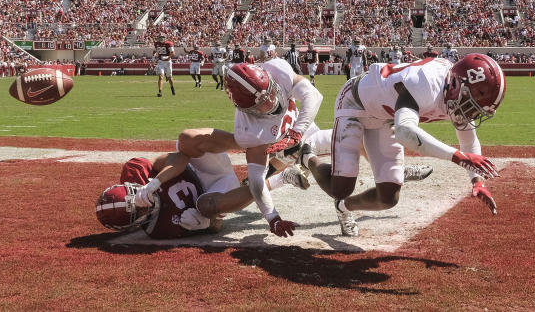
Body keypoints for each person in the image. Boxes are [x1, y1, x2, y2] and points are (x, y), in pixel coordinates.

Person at [301, 54, 504, 236]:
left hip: (386, 117)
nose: (471, 114)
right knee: (340, 187)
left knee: (388, 197)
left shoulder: (456, 88)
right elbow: (405, 132)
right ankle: (305, 155)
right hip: (356, 103)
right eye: (471, 104)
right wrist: (457, 157)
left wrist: (477, 181)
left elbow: (468, 139)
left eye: (477, 110)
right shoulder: (426, 82)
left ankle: (343, 208)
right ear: (455, 85)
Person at [174, 58, 324, 237]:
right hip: (279, 143)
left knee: (348, 146)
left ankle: (284, 160)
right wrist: (272, 217)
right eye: (260, 105)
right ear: (245, 109)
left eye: (270, 93)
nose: (270, 103)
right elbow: (256, 179)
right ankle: (281, 173)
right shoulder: (249, 131)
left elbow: (313, 95)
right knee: (208, 213)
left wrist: (297, 132)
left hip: (302, 131)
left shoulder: (277, 69)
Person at [95, 148, 312, 238]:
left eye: (136, 195)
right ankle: (281, 169)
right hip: (212, 193)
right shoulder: (160, 229)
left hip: (201, 167)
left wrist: (155, 182)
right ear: (134, 224)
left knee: (188, 140)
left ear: (129, 185)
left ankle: (255, 139)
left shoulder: (135, 171)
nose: (144, 203)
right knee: (206, 208)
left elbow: (177, 158)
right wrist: (206, 224)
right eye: (138, 212)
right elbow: (219, 224)